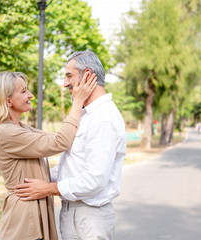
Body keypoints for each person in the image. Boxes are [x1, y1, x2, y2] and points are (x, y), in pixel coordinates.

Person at [15, 51, 127, 240]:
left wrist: (48, 188)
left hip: (91, 218)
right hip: (72, 213)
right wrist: (32, 177)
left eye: (69, 76)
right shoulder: (86, 115)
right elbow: (72, 166)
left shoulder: (103, 118)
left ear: (88, 76)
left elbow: (94, 179)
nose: (65, 83)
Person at [0, 70, 97, 240]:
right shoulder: (5, 132)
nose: (30, 95)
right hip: (25, 219)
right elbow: (61, 142)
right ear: (8, 100)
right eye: (23, 91)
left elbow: (58, 137)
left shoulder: (21, 128)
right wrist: (78, 101)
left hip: (36, 211)